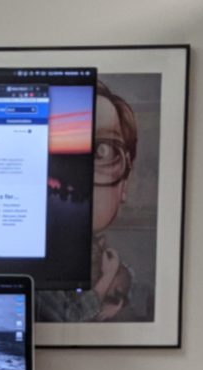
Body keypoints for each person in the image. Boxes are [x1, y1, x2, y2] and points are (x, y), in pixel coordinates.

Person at [38, 80, 154, 323]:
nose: (76, 175)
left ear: (125, 182)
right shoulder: (37, 263)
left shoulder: (129, 279)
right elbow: (66, 316)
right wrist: (107, 278)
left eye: (102, 151)